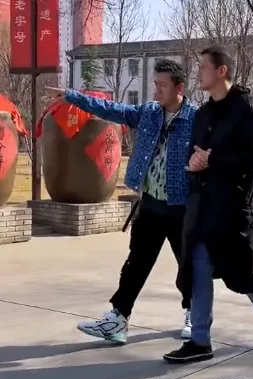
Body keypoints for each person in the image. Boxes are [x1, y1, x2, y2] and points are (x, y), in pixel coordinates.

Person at [46, 59, 197, 343]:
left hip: (182, 207)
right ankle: (118, 319)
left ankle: (194, 314)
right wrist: (73, 97)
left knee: (188, 265)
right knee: (135, 264)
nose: (156, 90)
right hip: (150, 204)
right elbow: (112, 109)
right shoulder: (149, 113)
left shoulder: (196, 119)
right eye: (155, 84)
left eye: (163, 85)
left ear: (179, 88)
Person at [163, 45, 253, 363]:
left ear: (221, 71)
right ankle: (200, 341)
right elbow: (196, 152)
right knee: (199, 269)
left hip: (234, 211)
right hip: (203, 208)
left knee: (244, 276)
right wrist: (194, 162)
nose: (198, 73)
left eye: (203, 67)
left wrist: (214, 159)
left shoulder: (246, 107)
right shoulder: (203, 114)